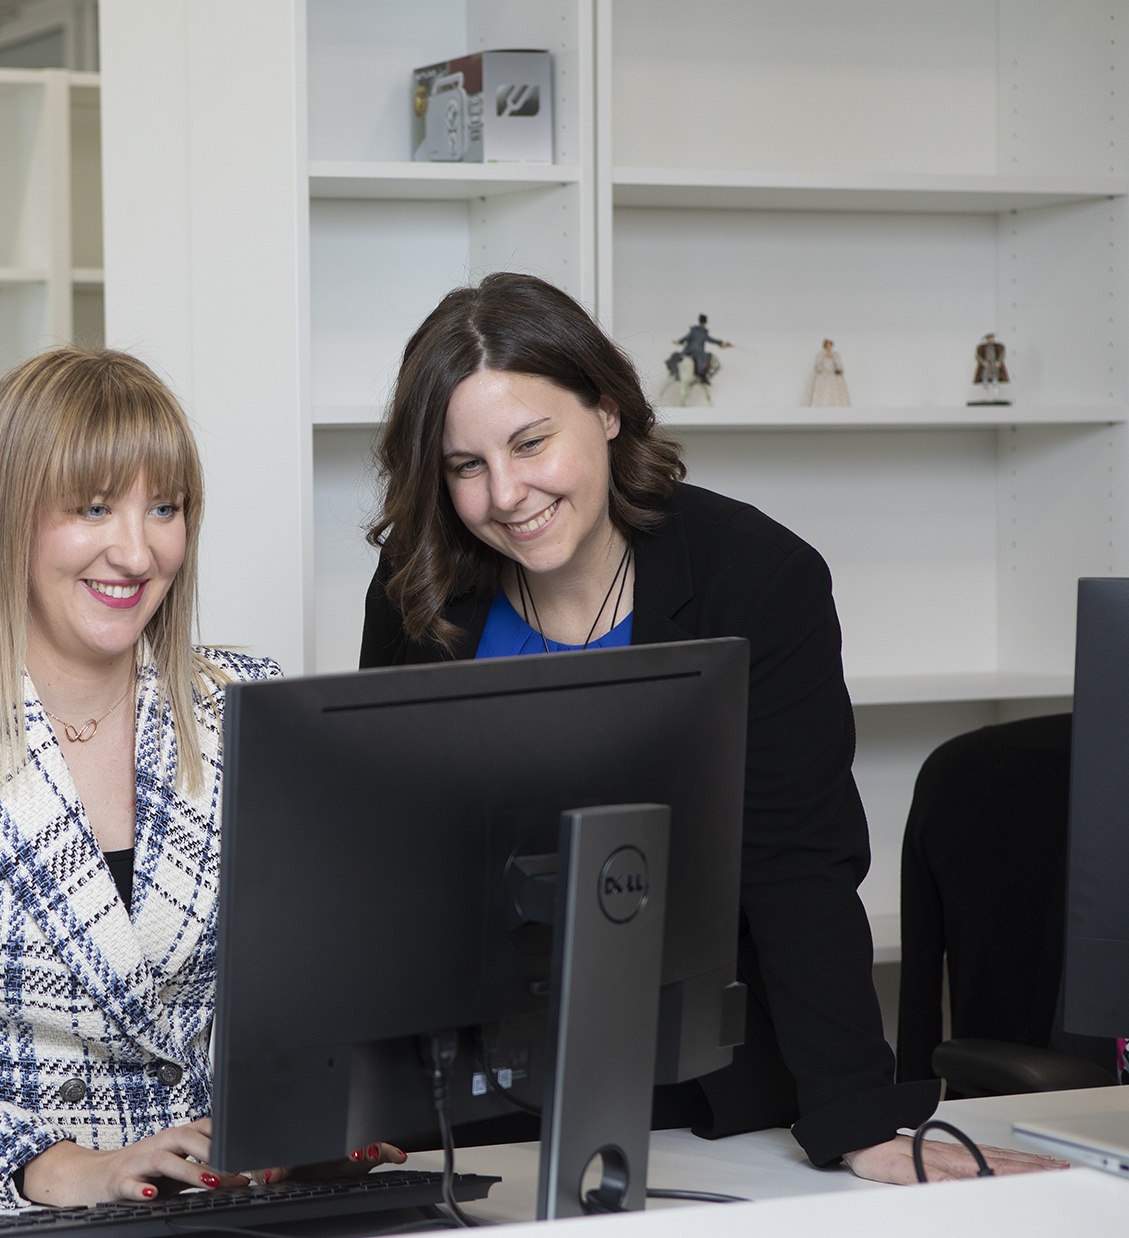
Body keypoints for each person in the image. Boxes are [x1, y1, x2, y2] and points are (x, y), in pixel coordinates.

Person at [358, 273, 1063, 1185]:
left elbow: (798, 864)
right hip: (469, 1088)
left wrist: (860, 1117)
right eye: (465, 466)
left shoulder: (757, 579)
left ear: (607, 409)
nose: (506, 493)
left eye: (532, 443)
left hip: (699, 1085)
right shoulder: (416, 587)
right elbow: (386, 864)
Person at [0, 348, 377, 1207]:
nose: (136, 552)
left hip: (230, 1196)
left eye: (164, 508)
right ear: (6, 518)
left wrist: (325, 1115)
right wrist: (54, 1167)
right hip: (8, 1215)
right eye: (93, 508)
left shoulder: (247, 703)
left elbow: (315, 988)